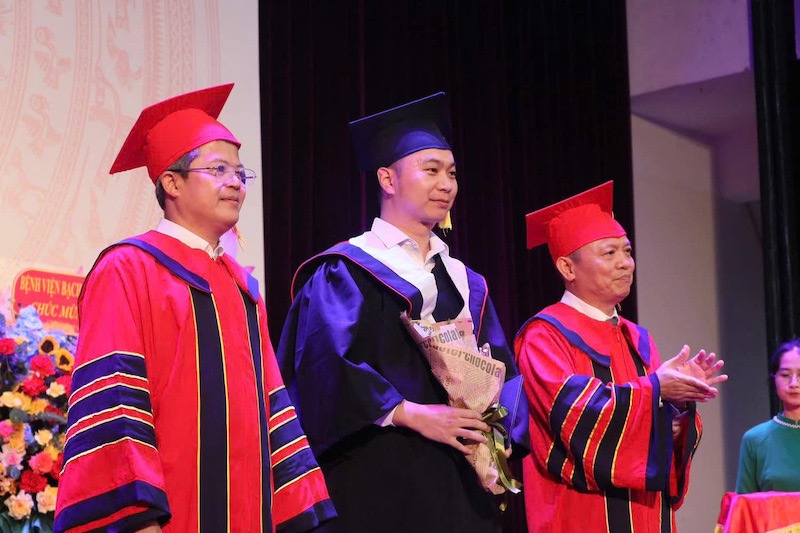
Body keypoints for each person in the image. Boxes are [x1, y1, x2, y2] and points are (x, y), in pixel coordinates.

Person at [54, 85, 335, 533]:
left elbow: (273, 412)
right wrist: (139, 520)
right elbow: (115, 405)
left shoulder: (242, 288)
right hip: (166, 517)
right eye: (218, 169)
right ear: (172, 183)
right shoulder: (128, 268)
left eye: (240, 173)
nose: (235, 183)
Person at [276, 92, 528, 533]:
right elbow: (323, 368)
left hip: (463, 485)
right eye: (431, 170)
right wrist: (409, 412)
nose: (446, 184)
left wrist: (500, 432)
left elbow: (503, 371)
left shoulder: (466, 280)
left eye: (452, 173)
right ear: (387, 179)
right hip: (380, 478)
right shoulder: (345, 270)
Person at [515, 181, 727, 532]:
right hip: (581, 515)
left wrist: (676, 410)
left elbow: (653, 434)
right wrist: (656, 388)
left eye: (627, 251)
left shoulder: (637, 338)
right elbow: (574, 416)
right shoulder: (544, 336)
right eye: (609, 253)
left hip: (648, 514)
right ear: (567, 268)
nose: (625, 264)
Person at [736, 339, 800, 493]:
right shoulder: (755, 439)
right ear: (774, 379)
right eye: (785, 375)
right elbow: (744, 503)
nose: (794, 383)